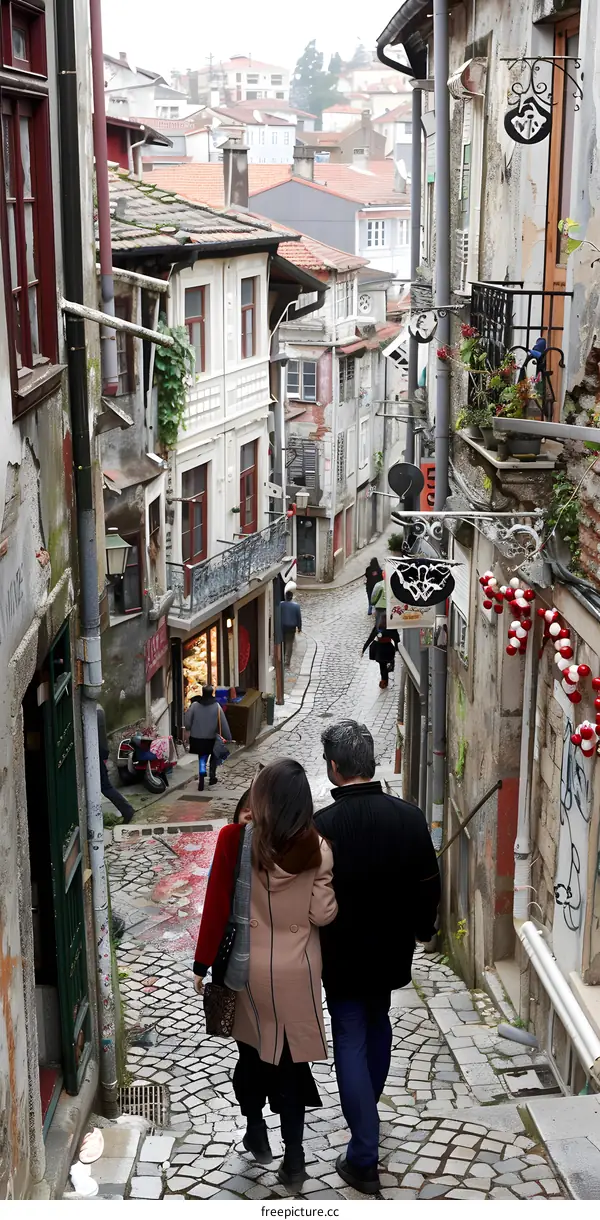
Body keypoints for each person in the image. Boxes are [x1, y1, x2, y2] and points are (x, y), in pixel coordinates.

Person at [193, 759, 337, 1188]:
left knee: (251, 1055)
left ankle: (255, 1124)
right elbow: (321, 914)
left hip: (247, 971)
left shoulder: (236, 839)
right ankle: (295, 1159)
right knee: (291, 1065)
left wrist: (202, 963)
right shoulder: (317, 848)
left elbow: (217, 903)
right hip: (297, 973)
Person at [315, 721, 441, 1195]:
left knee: (349, 1031)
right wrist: (423, 930)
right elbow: (429, 885)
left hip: (341, 954)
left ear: (333, 767)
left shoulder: (322, 826)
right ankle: (368, 1116)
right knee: (379, 1020)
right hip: (390, 948)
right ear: (370, 763)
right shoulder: (409, 817)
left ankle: (364, 1153)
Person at [184, 685, 232, 792]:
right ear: (212, 693)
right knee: (214, 756)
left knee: (202, 757)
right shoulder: (216, 706)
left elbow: (187, 722)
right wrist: (228, 737)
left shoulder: (195, 706)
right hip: (210, 738)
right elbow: (223, 724)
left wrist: (190, 728)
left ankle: (201, 778)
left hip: (196, 739)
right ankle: (212, 776)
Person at [97, 704, 134, 824]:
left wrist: (102, 754)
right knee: (104, 787)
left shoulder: (95, 712)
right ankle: (127, 810)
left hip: (96, 756)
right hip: (99, 754)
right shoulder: (99, 709)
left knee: (105, 787)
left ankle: (127, 810)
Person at [362, 622, 399, 689]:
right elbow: (396, 639)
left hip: (381, 649)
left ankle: (384, 680)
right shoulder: (390, 626)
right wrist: (396, 648)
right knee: (384, 664)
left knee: (382, 665)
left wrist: (364, 649)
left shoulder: (378, 626)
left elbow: (371, 638)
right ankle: (384, 680)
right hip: (386, 648)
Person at [280, 589, 302, 669]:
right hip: (291, 627)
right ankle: (287, 662)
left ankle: (281, 658)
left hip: (282, 627)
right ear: (292, 597)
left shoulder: (281, 604)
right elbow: (298, 617)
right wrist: (299, 627)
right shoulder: (296, 606)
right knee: (289, 644)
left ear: (285, 597)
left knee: (283, 642)